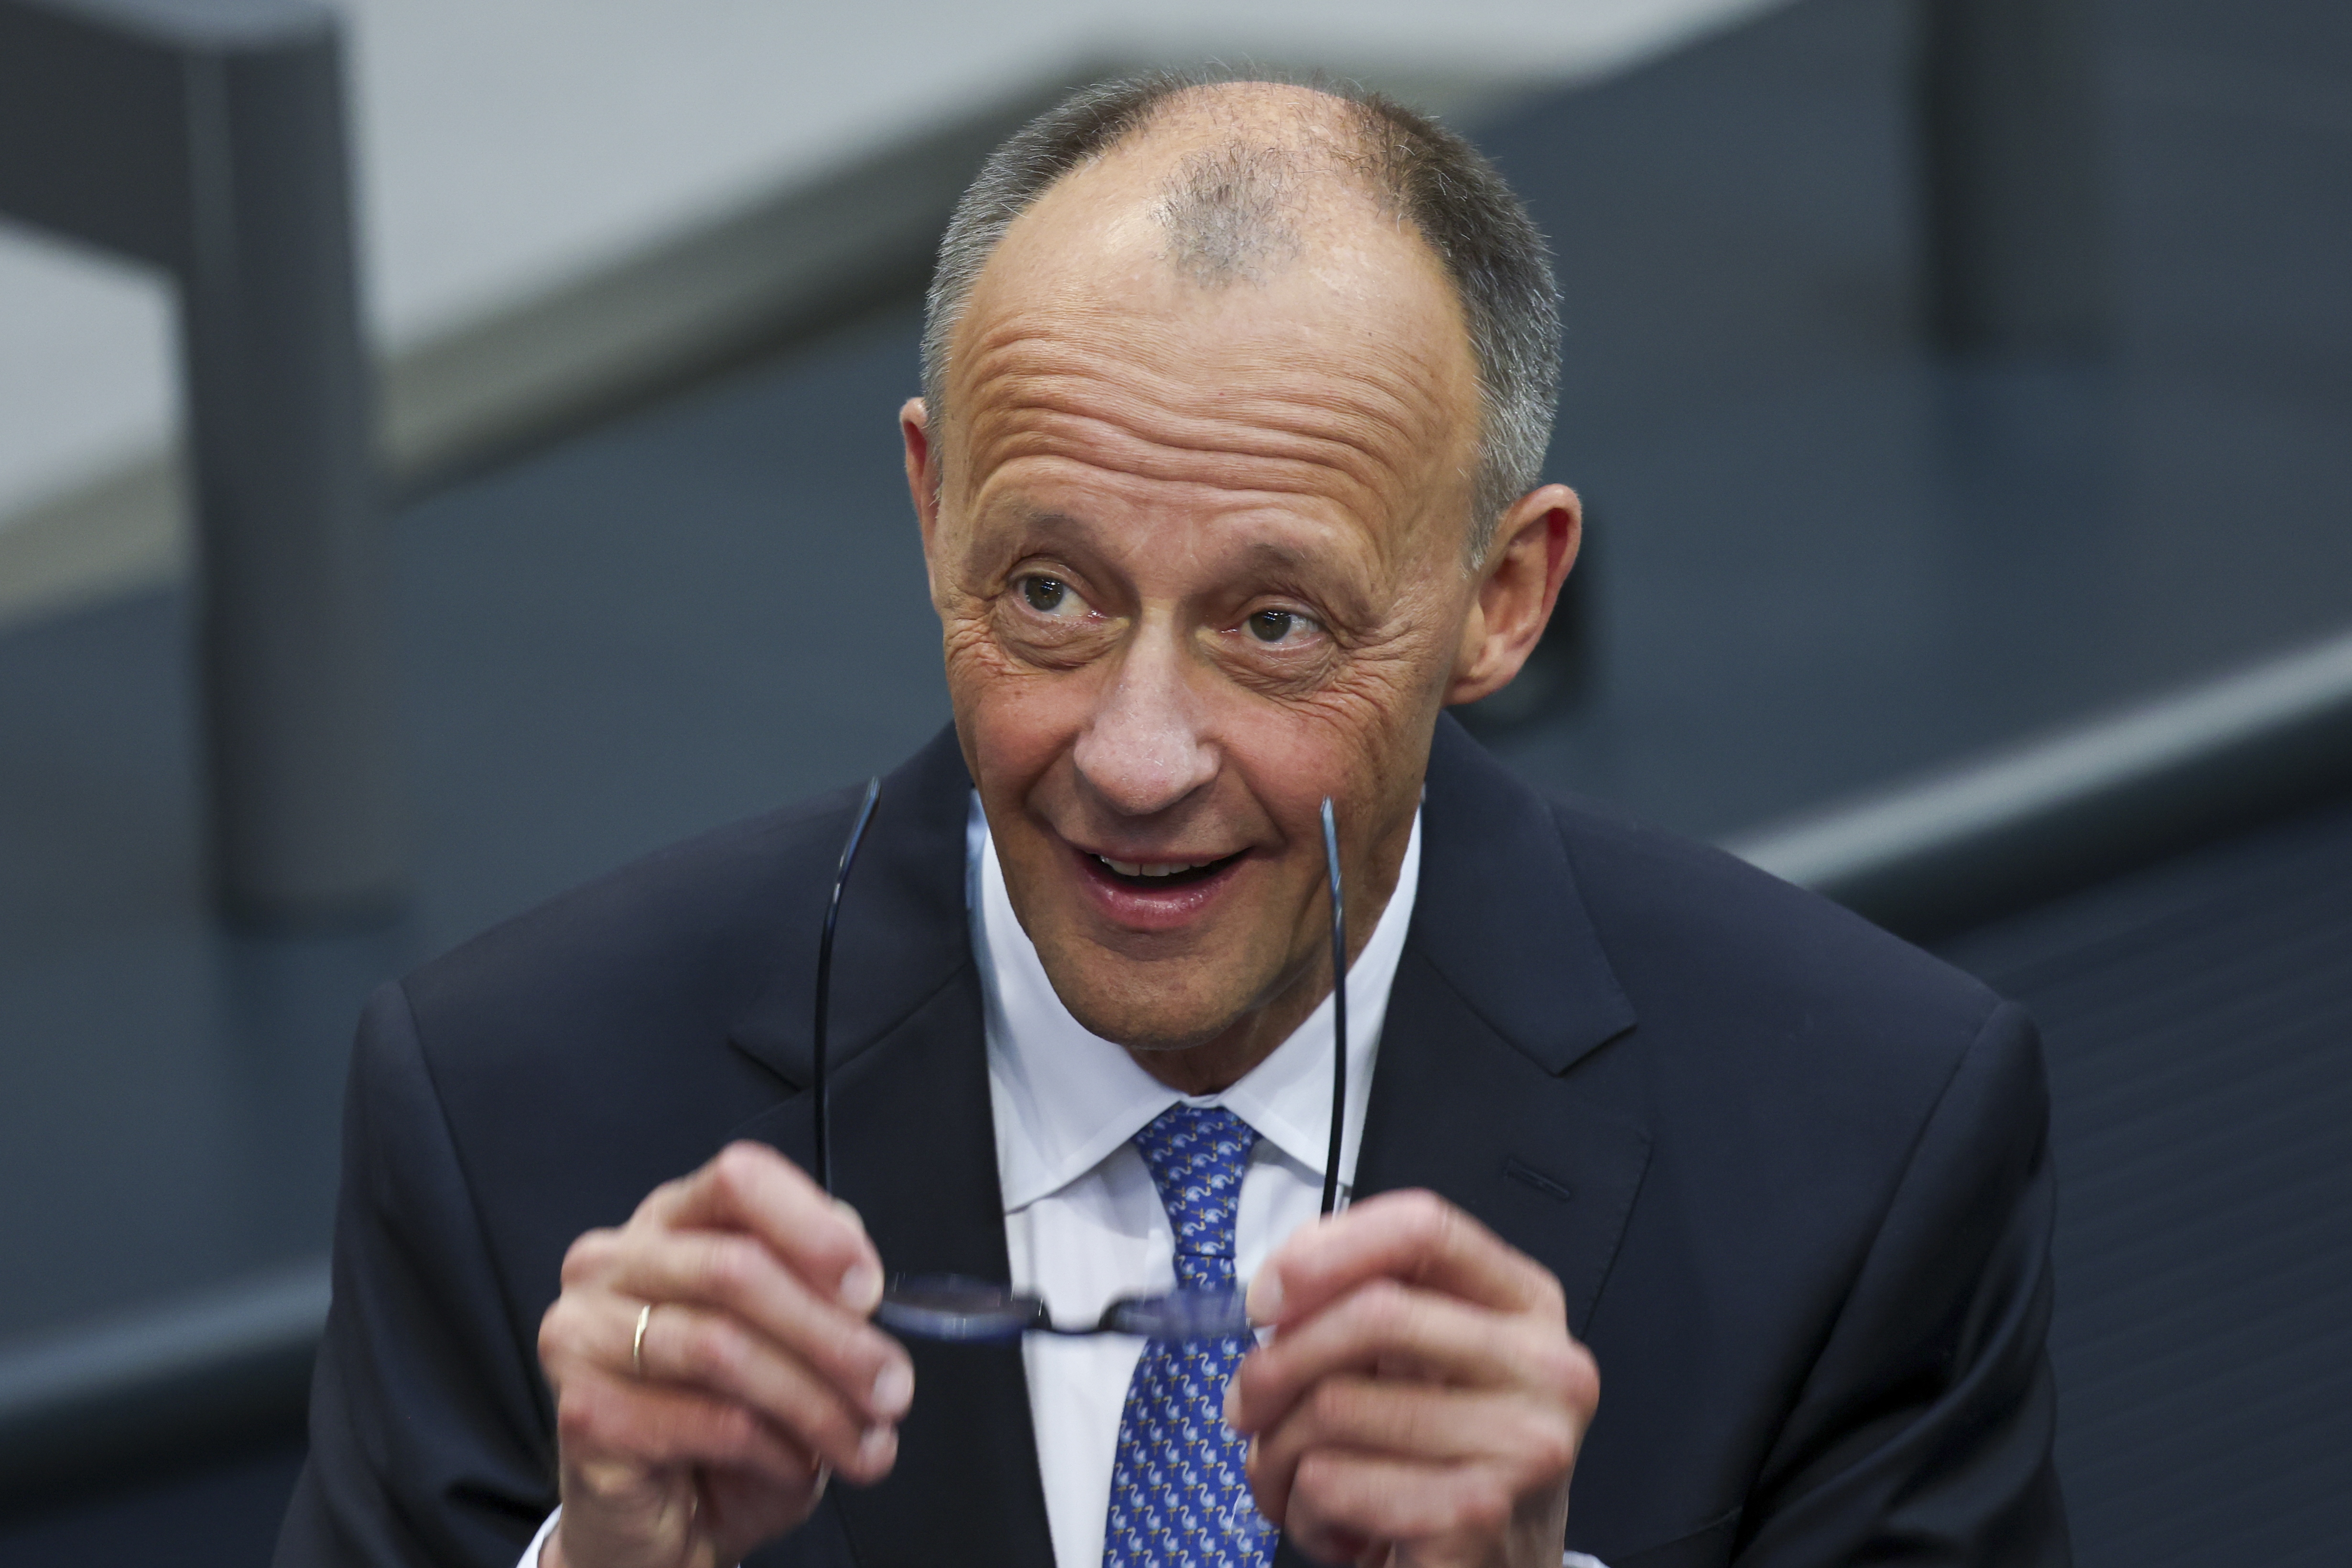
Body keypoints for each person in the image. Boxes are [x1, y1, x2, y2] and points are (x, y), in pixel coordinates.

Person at [276, 71, 2068, 1568]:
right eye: (1048, 592)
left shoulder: (1861, 1142)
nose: (1135, 758)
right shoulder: (510, 1110)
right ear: (930, 507)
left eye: (1273, 625)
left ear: (1499, 599)